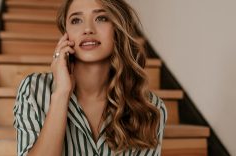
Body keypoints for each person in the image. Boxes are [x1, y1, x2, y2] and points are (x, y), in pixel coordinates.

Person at [13, 0, 167, 155]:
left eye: (101, 18)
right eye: (76, 20)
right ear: (65, 34)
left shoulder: (149, 109)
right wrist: (61, 94)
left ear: (117, 28)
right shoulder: (34, 90)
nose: (87, 29)